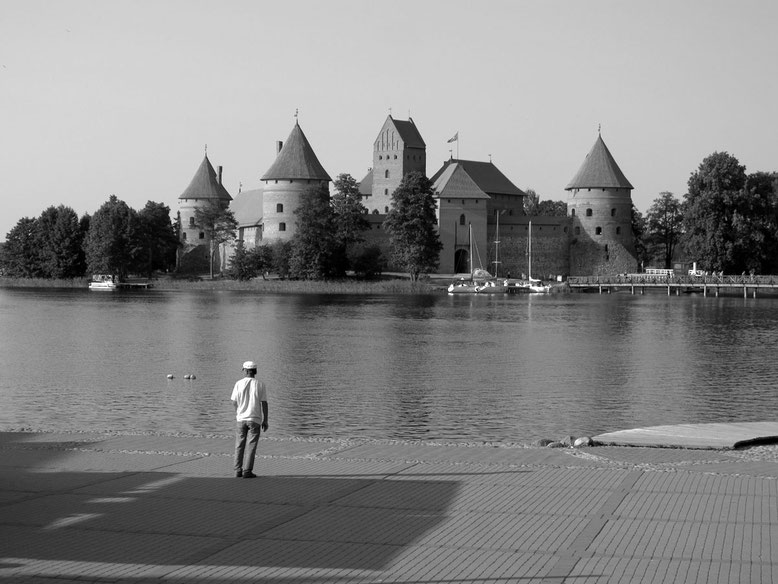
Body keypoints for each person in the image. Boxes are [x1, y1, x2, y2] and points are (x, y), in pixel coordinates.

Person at [230, 360, 268, 478]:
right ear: (255, 371)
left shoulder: (238, 383)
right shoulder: (260, 384)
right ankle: (247, 471)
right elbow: (264, 403)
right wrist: (265, 420)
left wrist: (238, 412)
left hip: (241, 418)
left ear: (245, 371)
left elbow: (234, 402)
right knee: (251, 446)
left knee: (239, 444)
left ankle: (237, 470)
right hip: (255, 418)